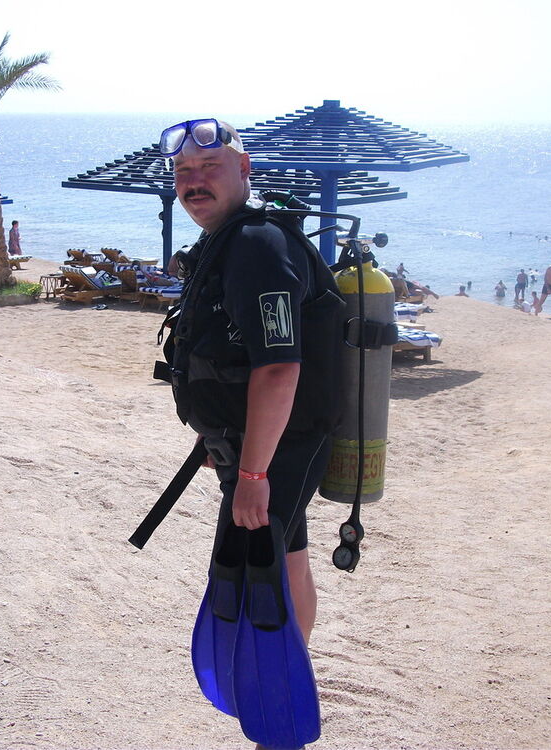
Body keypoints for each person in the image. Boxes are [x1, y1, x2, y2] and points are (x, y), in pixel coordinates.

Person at [158, 118, 343, 744]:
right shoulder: (229, 242)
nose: (194, 182)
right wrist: (218, 435)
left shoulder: (259, 246)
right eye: (183, 172)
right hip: (254, 442)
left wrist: (256, 472)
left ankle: (275, 717)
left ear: (244, 170)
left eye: (209, 167)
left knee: (254, 578)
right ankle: (287, 681)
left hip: (280, 447)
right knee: (286, 557)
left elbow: (279, 367)